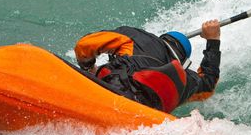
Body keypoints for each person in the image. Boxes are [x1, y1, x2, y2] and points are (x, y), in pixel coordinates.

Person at [74, 20, 221, 113]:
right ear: (182, 59)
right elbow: (208, 85)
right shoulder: (185, 79)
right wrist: (213, 40)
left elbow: (84, 45)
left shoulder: (137, 38)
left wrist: (88, 68)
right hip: (143, 118)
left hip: (112, 94)